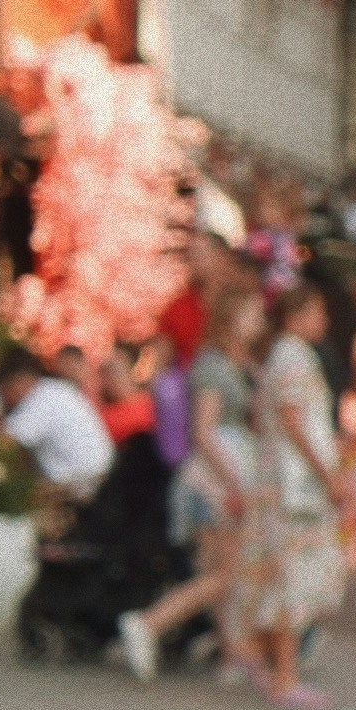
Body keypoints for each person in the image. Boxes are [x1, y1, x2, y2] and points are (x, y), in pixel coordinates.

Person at [116, 285, 265, 684]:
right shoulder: (214, 366)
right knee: (223, 575)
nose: (259, 321)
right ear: (233, 319)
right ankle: (149, 623)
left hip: (214, 477)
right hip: (215, 479)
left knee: (218, 572)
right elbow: (204, 429)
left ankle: (232, 654)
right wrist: (235, 483)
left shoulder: (230, 363)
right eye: (252, 313)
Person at [234, 278, 348, 710]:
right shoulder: (294, 355)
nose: (324, 321)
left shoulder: (279, 356)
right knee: (294, 579)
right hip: (295, 488)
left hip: (280, 484)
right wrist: (328, 475)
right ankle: (284, 675)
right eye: (317, 312)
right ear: (296, 316)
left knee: (282, 575)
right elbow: (293, 419)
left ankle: (259, 655)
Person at [0, 345, 113, 501]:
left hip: (85, 493)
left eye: (4, 391)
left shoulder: (41, 396)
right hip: (98, 484)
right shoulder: (56, 389)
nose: (4, 399)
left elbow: (1, 443)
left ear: (17, 382)